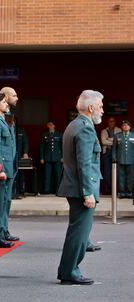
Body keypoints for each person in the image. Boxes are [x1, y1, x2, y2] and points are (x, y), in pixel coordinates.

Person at [57, 90, 104, 285]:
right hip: (80, 188)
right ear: (91, 107)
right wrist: (88, 193)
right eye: (101, 106)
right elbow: (84, 164)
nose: (102, 110)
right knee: (79, 233)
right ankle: (70, 272)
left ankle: (68, 270)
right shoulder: (85, 128)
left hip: (75, 186)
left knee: (77, 231)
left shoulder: (75, 124)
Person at [0, 92, 17, 248]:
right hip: (3, 168)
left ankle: (3, 231)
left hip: (9, 166)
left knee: (5, 201)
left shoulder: (3, 120)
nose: (7, 105)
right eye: (4, 102)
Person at [112, 120, 134, 198]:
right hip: (120, 159)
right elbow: (114, 148)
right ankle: (121, 192)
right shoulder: (117, 136)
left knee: (130, 177)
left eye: (127, 125)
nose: (125, 126)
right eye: (124, 125)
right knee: (120, 177)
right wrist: (114, 158)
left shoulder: (133, 135)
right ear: (122, 127)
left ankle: (129, 192)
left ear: (130, 127)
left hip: (131, 160)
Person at [40, 121, 63, 194]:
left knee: (58, 175)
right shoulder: (44, 135)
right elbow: (42, 147)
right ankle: (47, 190)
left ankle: (59, 190)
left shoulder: (59, 134)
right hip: (47, 158)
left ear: (54, 126)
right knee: (47, 175)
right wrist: (42, 157)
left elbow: (62, 147)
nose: (50, 126)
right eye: (49, 125)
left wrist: (63, 157)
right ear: (47, 126)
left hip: (57, 158)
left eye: (52, 125)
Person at [100, 117, 121, 194]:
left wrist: (109, 139)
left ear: (115, 122)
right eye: (110, 121)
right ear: (107, 122)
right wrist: (113, 140)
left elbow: (119, 141)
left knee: (116, 170)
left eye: (113, 121)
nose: (111, 122)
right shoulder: (104, 130)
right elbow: (103, 141)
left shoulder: (119, 130)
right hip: (107, 152)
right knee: (106, 171)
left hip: (116, 151)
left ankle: (116, 189)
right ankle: (107, 189)